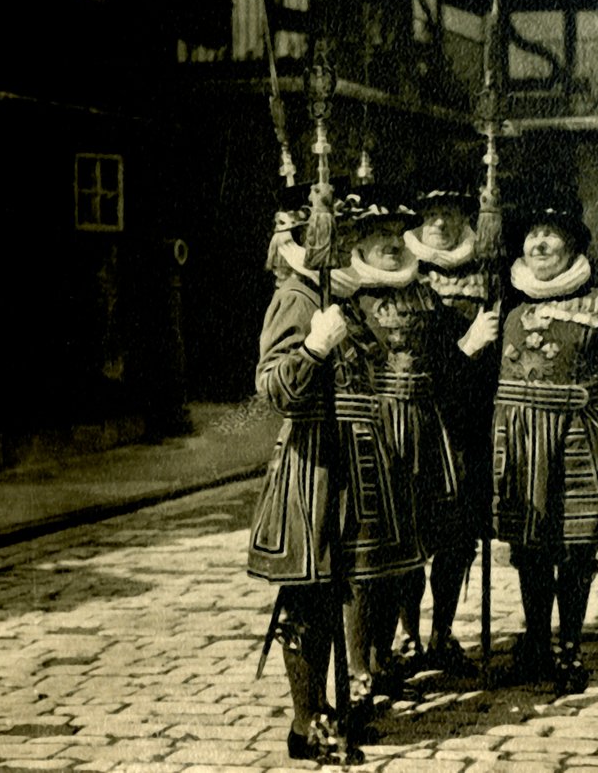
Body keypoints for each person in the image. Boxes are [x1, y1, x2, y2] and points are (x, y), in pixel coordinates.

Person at [337, 184, 499, 698]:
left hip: (429, 429)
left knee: (425, 541)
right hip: (378, 431)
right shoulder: (348, 298)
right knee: (373, 556)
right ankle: (362, 665)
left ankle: (389, 657)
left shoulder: (421, 292)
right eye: (377, 235)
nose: (389, 244)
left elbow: (444, 364)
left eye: (393, 234)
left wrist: (466, 348)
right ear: (358, 244)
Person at [491, 183, 598, 696]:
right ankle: (535, 640)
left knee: (575, 547)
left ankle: (569, 645)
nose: (540, 243)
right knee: (529, 549)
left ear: (574, 246)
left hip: (576, 441)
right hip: (521, 446)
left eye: (552, 234)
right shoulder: (505, 306)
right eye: (533, 233)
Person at [247, 180, 366, 764]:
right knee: (306, 594)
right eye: (320, 235)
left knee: (330, 590)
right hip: (308, 460)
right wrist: (315, 351)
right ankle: (307, 718)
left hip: (341, 455)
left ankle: (317, 712)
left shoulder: (332, 291)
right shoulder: (296, 298)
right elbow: (271, 387)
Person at [392, 171, 497, 677]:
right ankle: (408, 635)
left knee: (458, 537)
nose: (440, 223)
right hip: (418, 418)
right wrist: (465, 345)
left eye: (451, 213)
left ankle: (442, 633)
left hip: (468, 423)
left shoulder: (487, 272)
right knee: (413, 533)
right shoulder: (403, 272)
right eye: (430, 215)